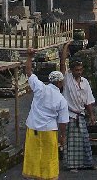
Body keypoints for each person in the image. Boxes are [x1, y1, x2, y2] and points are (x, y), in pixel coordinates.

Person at [22, 49, 68, 180]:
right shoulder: (61, 100)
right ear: (60, 83)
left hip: (33, 127)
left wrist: (29, 57)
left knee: (33, 155)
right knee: (49, 157)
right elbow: (63, 122)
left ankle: (32, 175)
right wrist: (62, 137)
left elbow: (28, 72)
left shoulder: (40, 88)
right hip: (49, 130)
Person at [62, 58, 97, 171]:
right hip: (70, 114)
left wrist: (91, 115)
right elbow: (63, 63)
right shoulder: (67, 79)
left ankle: (88, 163)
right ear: (72, 70)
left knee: (85, 140)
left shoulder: (85, 82)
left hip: (81, 114)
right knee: (72, 142)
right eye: (76, 70)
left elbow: (88, 101)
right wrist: (66, 47)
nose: (79, 72)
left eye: (80, 70)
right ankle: (72, 166)